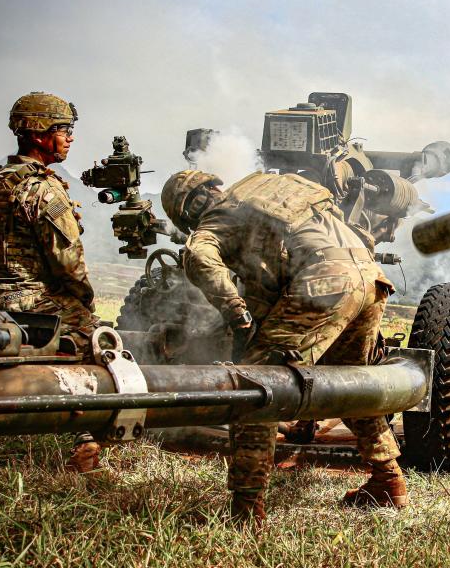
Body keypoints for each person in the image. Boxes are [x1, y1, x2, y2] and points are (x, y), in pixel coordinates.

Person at [160, 169, 407, 526]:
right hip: (368, 278)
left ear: (189, 209)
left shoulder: (216, 217)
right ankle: (388, 479)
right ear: (214, 183)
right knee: (352, 386)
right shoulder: (270, 185)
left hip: (324, 282)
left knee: (256, 388)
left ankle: (246, 509)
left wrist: (236, 314)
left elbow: (199, 258)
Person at [0, 91, 102, 472]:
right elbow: (68, 264)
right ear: (40, 133)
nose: (71, 137)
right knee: (100, 344)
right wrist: (85, 304)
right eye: (64, 129)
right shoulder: (43, 188)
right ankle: (87, 447)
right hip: (26, 302)